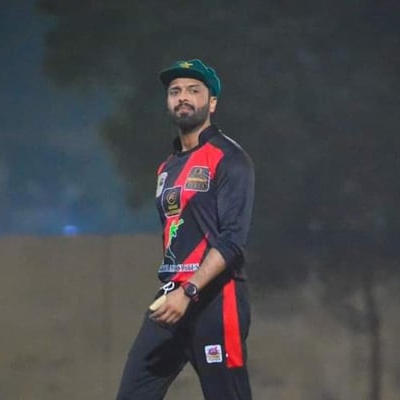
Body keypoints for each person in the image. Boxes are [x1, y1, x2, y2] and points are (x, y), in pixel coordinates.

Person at [116, 59, 255, 400]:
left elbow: (232, 241)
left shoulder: (230, 158)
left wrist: (189, 291)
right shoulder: (167, 167)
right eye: (175, 91)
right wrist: (176, 292)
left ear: (212, 103)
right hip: (170, 299)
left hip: (215, 300)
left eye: (194, 91)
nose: (183, 97)